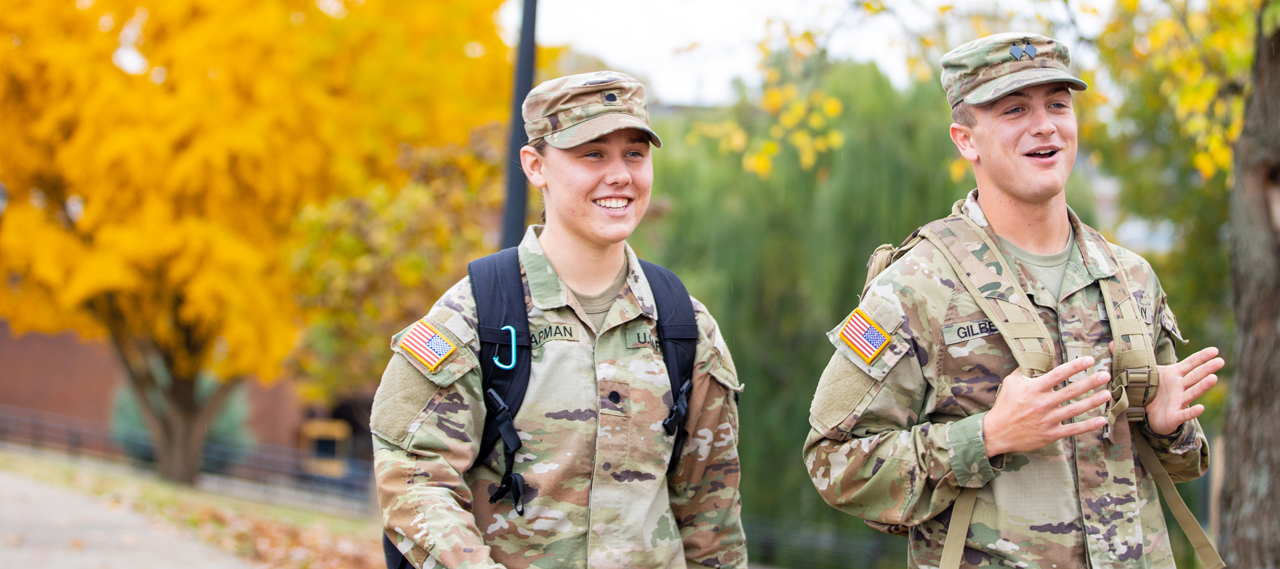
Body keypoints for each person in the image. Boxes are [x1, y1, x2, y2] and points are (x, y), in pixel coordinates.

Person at [801, 33, 1224, 568]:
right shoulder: (915, 287)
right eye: (1015, 108)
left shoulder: (1130, 278)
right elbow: (833, 463)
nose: (1044, 124)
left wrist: (1170, 428)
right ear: (966, 139)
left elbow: (1183, 464)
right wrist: (987, 436)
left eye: (1058, 104)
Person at [369, 71, 747, 569]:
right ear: (535, 166)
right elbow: (414, 476)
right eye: (592, 153)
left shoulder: (684, 327)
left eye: (634, 153)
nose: (620, 174)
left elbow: (710, 518)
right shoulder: (476, 317)